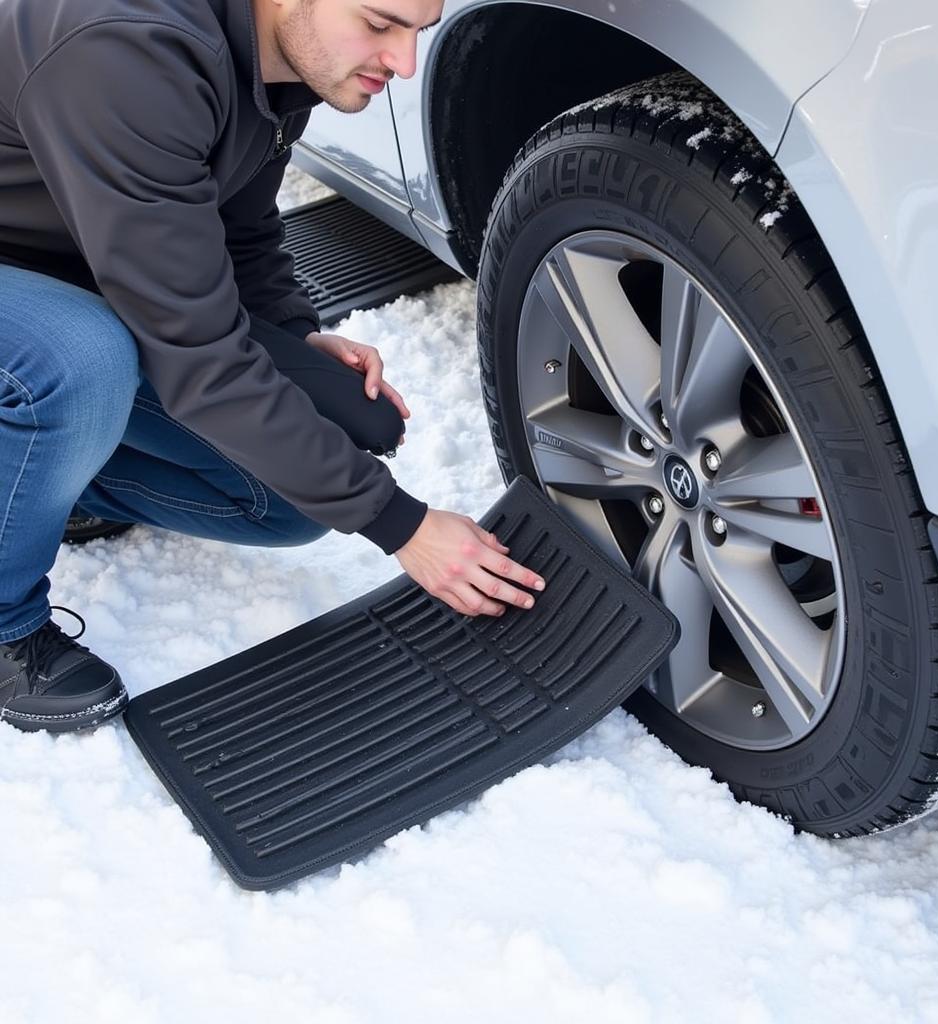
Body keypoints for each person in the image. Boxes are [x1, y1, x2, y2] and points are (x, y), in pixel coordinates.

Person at [0, 0, 545, 734]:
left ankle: (41, 471)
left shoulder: (275, 58)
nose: (404, 62)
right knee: (80, 359)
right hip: (40, 289)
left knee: (308, 475)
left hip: (73, 259)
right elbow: (202, 360)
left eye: (419, 31)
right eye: (381, 23)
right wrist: (402, 526)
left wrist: (294, 331)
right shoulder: (127, 54)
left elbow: (244, 226)